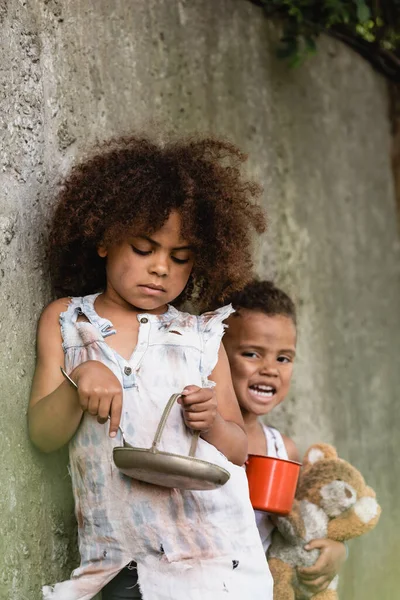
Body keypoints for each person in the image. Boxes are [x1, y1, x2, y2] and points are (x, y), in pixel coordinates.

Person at [28, 136, 273, 600]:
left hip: (216, 557)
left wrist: (213, 423)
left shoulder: (202, 337)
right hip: (126, 560)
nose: (161, 268)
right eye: (144, 249)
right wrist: (78, 380)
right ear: (104, 239)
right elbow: (41, 434)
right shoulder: (69, 322)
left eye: (179, 258)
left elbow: (239, 449)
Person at [223, 279, 347, 595]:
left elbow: (304, 525)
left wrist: (334, 549)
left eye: (283, 358)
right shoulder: (197, 431)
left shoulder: (283, 450)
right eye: (252, 354)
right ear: (217, 354)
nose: (270, 369)